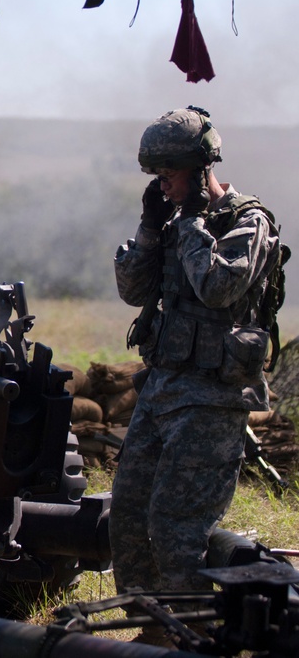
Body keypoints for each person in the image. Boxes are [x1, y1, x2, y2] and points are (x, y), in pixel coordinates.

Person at [110, 106, 283, 644]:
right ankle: (151, 631)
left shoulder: (248, 221)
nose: (162, 184)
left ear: (200, 166)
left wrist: (190, 223)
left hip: (211, 400)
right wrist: (148, 228)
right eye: (156, 177)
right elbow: (134, 292)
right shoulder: (170, 218)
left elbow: (217, 288)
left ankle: (190, 637)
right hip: (161, 390)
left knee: (176, 526)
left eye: (169, 174)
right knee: (130, 517)